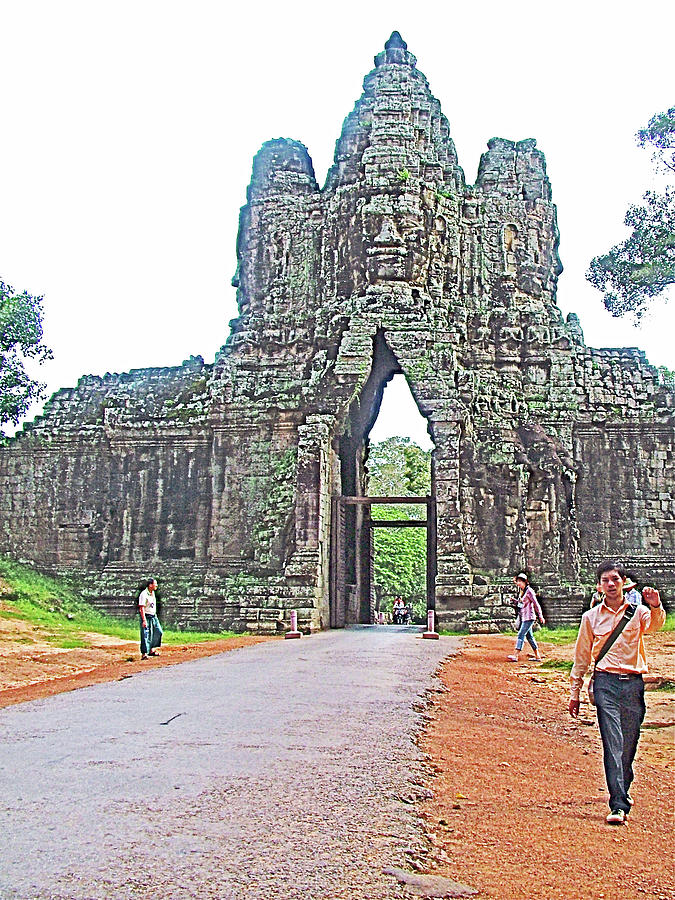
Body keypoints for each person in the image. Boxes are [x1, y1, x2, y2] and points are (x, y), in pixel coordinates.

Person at [568, 560, 666, 826]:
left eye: (615, 579)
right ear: (599, 586)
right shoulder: (590, 618)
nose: (610, 584)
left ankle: (623, 783)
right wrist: (575, 691)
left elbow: (655, 626)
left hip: (633, 683)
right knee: (612, 742)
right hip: (605, 684)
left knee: (628, 743)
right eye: (605, 580)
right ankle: (618, 804)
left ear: (624, 582)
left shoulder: (638, 612)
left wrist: (656, 605)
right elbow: (581, 656)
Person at [507, 572, 545, 662]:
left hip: (529, 617)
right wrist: (515, 601)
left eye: (520, 581)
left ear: (525, 582)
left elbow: (536, 604)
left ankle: (515, 655)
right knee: (530, 637)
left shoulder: (529, 591)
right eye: (518, 581)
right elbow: (522, 604)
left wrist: (540, 616)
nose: (518, 583)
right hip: (524, 616)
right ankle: (537, 656)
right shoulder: (523, 592)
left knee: (521, 634)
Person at [138, 578, 163, 659]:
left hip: (153, 616)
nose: (156, 585)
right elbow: (141, 608)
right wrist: (144, 620)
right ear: (150, 585)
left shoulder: (152, 593)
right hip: (146, 616)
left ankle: (151, 649)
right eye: (155, 584)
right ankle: (144, 653)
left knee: (158, 631)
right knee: (145, 635)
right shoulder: (144, 594)